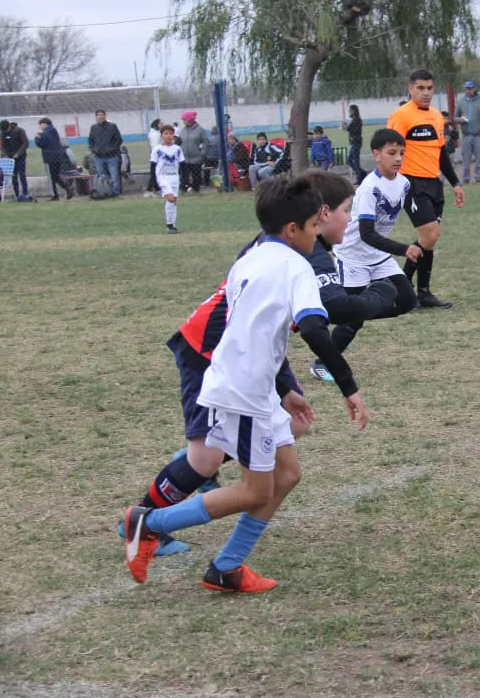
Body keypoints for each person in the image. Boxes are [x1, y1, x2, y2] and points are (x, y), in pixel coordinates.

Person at [118, 171, 397, 552]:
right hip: (211, 353)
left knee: (293, 425)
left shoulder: (292, 246)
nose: (349, 221)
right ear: (320, 214)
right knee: (207, 460)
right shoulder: (300, 254)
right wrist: (384, 303)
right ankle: (144, 519)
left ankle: (217, 537)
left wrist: (284, 385)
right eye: (346, 211)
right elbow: (317, 321)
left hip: (257, 358)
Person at [329, 128, 420, 352]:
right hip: (353, 256)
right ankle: (324, 361)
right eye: (391, 153)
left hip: (378, 255)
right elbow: (366, 234)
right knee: (350, 313)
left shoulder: (404, 183)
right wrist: (404, 248)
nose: (398, 158)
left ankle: (354, 317)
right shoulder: (369, 188)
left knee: (407, 301)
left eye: (401, 152)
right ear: (376, 154)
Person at [386, 69, 466, 309]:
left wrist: (456, 183)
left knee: (429, 239)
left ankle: (421, 293)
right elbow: (390, 150)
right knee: (430, 234)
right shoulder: (401, 116)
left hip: (434, 184)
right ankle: (403, 287)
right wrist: (390, 181)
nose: (425, 92)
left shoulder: (436, 117)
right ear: (410, 89)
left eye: (429, 88)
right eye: (420, 88)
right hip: (411, 183)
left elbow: (441, 154)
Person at [151, 124, 185, 234]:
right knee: (170, 198)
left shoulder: (177, 149)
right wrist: (154, 181)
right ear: (161, 136)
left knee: (173, 201)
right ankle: (169, 225)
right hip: (163, 177)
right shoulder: (157, 149)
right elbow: (153, 166)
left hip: (174, 177)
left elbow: (182, 165)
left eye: (171, 133)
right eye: (166, 133)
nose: (168, 136)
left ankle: (172, 225)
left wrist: (184, 180)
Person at [458, 81, 480, 184]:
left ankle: (478, 177)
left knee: (479, 157)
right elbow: (455, 116)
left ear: (474, 89)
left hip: (478, 135)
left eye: (470, 88)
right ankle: (466, 178)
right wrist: (460, 120)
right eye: (467, 88)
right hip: (466, 135)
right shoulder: (461, 102)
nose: (469, 90)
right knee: (466, 159)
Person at [34, 118, 73, 201]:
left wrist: (37, 138)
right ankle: (68, 189)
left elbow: (41, 144)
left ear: (44, 124)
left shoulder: (46, 132)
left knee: (51, 177)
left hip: (49, 157)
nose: (40, 127)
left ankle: (54, 195)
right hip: (57, 157)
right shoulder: (53, 131)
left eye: (40, 124)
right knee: (55, 176)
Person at [88, 109, 124, 195]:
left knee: (114, 175)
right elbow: (91, 140)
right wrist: (94, 149)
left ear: (105, 116)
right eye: (99, 115)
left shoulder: (112, 126)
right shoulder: (93, 128)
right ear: (96, 117)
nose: (101, 116)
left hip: (112, 156)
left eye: (102, 115)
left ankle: (115, 192)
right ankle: (104, 191)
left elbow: (118, 140)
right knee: (101, 175)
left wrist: (112, 149)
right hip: (99, 157)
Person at [0, 120, 29, 199]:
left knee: (22, 175)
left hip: (21, 156)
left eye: (6, 129)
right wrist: (5, 154)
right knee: (13, 176)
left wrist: (18, 153)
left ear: (9, 126)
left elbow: (25, 143)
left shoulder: (19, 131)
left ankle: (25, 193)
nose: (5, 131)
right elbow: (2, 145)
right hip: (10, 158)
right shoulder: (3, 133)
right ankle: (17, 194)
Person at [179, 111, 209, 193]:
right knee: (184, 176)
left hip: (196, 158)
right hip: (184, 158)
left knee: (196, 176)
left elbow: (205, 142)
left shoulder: (200, 130)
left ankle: (196, 190)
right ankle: (184, 189)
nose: (183, 121)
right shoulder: (183, 130)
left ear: (190, 120)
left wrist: (202, 154)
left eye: (184, 119)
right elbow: (180, 141)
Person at [343, 105, 365, 182]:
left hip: (356, 142)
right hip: (355, 142)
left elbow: (354, 130)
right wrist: (346, 128)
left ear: (353, 111)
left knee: (355, 161)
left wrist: (346, 128)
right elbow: (350, 129)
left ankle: (361, 176)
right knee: (350, 160)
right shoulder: (355, 120)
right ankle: (361, 173)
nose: (349, 112)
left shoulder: (357, 120)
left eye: (350, 110)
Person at [145, 119, 163, 197]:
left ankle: (153, 189)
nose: (162, 124)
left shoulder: (154, 133)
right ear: (156, 125)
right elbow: (156, 146)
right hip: (157, 157)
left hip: (155, 156)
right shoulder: (156, 134)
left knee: (155, 173)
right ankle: (150, 189)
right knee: (155, 173)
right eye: (160, 123)